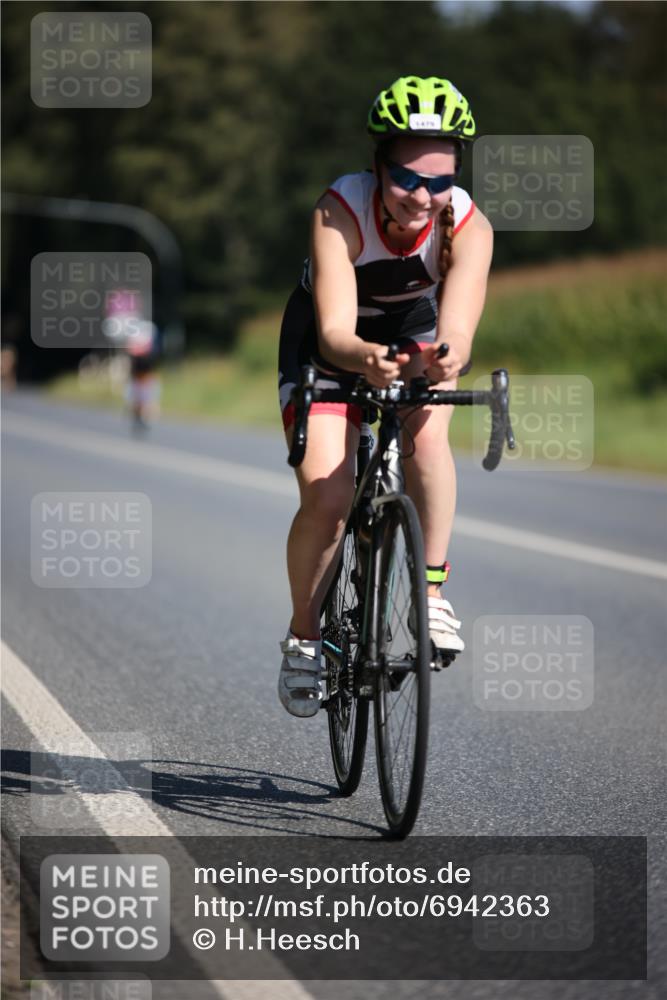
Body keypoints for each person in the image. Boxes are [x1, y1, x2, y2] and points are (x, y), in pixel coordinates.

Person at [277, 75, 493, 717]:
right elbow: (339, 330)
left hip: (411, 334)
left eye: (439, 181)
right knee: (330, 495)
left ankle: (429, 593)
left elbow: (457, 329)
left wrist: (444, 356)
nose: (423, 197)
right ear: (378, 168)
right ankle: (304, 637)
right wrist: (367, 360)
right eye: (408, 179)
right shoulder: (338, 210)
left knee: (427, 438)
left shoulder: (468, 225)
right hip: (327, 342)